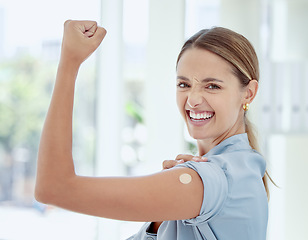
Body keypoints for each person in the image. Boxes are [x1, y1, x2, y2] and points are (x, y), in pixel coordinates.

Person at [35, 20, 269, 240]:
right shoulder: (242, 168)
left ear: (248, 93)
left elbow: (53, 188)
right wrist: (162, 216)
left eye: (212, 86)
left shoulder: (215, 177)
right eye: (184, 84)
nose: (193, 99)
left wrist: (69, 62)